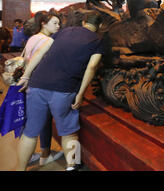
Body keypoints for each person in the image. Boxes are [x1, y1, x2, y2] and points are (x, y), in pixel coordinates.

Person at [16, 11, 103, 171]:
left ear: (84, 22)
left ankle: (20, 169)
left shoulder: (63, 32)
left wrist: (26, 76)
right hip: (63, 89)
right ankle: (72, 167)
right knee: (69, 133)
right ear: (100, 26)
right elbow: (92, 66)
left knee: (30, 132)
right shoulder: (97, 40)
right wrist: (81, 93)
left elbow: (40, 52)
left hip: (37, 84)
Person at [22, 10, 63, 166]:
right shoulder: (48, 41)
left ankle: (32, 155)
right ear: (43, 24)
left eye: (59, 23)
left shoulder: (33, 38)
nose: (58, 26)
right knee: (42, 122)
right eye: (55, 23)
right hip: (40, 84)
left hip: (29, 84)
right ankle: (45, 154)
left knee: (32, 122)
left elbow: (26, 59)